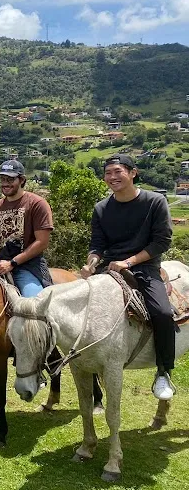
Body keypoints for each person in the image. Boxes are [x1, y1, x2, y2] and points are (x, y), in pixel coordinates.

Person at [80, 154, 175, 400]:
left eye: (118, 171)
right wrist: (91, 264)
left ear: (133, 173)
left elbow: (161, 242)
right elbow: (97, 245)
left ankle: (164, 371)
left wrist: (129, 262)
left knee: (162, 312)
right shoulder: (101, 208)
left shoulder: (155, 202)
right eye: (108, 173)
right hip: (110, 268)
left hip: (145, 267)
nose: (112, 177)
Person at [0, 160, 54, 296]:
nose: (5, 183)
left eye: (10, 179)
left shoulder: (37, 204)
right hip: (0, 263)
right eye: (2, 179)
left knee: (33, 301)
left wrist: (12, 263)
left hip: (30, 265)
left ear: (22, 180)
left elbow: (42, 242)